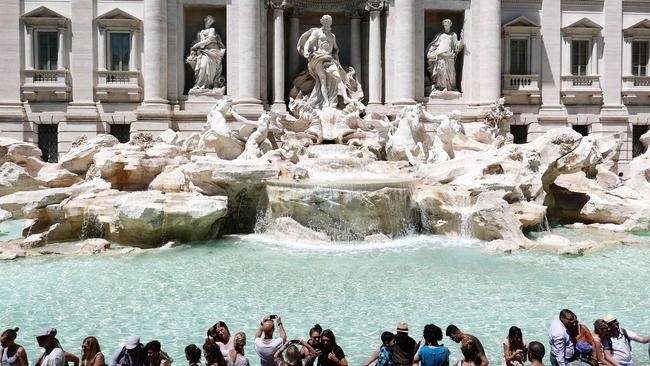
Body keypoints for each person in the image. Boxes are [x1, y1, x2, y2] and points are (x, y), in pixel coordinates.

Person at [297, 15, 360, 109]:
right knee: (323, 81)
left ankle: (346, 97)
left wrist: (335, 54)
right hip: (318, 58)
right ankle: (326, 102)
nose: (327, 23)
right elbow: (308, 42)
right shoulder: (317, 32)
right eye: (325, 22)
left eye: (329, 22)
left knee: (338, 77)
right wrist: (306, 51)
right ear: (322, 22)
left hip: (329, 59)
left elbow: (335, 48)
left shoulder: (332, 36)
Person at [185, 15, 226, 92]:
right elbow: (197, 41)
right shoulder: (200, 32)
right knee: (202, 66)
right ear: (205, 20)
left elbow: (209, 40)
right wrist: (194, 50)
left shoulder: (212, 29)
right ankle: (200, 85)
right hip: (203, 52)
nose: (210, 23)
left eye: (211, 22)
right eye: (209, 21)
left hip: (212, 51)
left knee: (209, 69)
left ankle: (208, 86)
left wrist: (197, 45)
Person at [426, 19, 464, 92]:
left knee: (451, 73)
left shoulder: (453, 35)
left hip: (450, 55)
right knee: (441, 71)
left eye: (447, 25)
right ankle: (442, 87)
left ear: (450, 25)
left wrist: (462, 38)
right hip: (440, 54)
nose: (446, 26)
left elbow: (457, 46)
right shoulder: (440, 35)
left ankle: (450, 87)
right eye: (445, 25)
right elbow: (434, 44)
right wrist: (430, 51)